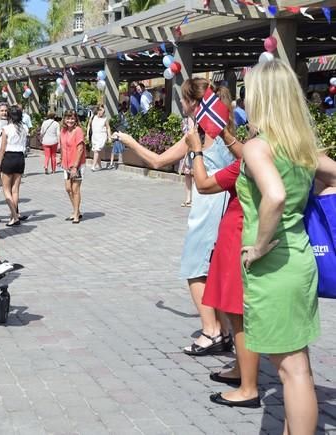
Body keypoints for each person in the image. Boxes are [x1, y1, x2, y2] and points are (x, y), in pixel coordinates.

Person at [233, 59, 336, 430]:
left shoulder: (258, 147)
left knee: (292, 371)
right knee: (297, 364)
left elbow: (274, 196)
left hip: (274, 265)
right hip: (299, 258)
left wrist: (259, 246)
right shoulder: (300, 146)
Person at [116, 79, 240, 355]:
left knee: (194, 268)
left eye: (183, 100)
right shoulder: (226, 130)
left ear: (194, 103)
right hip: (227, 205)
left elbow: (158, 161)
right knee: (214, 270)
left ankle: (211, 331)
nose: (181, 105)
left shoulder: (197, 135)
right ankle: (224, 329)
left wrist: (129, 141)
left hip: (208, 206)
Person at [185, 128, 260, 407]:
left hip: (237, 235)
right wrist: (227, 135)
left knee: (238, 312)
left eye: (251, 132)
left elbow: (203, 184)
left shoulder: (248, 164)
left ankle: (248, 387)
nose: (246, 135)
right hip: (240, 232)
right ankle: (242, 369)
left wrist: (196, 151)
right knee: (234, 309)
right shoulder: (275, 156)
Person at [0, 105, 27, 227]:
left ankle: (14, 216)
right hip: (20, 158)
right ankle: (13, 215)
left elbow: (2, 148)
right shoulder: (25, 128)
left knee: (6, 190)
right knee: (15, 190)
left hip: (9, 157)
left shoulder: (6, 128)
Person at [58, 110, 85, 224]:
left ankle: (76, 214)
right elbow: (63, 147)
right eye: (68, 118)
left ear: (76, 119)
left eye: (72, 118)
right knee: (68, 189)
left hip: (77, 164)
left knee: (75, 189)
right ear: (64, 119)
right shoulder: (63, 131)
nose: (70, 121)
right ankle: (76, 210)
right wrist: (60, 158)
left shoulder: (78, 130)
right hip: (66, 164)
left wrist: (75, 166)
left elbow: (80, 149)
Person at [86, 105, 111, 172]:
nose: (102, 113)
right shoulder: (93, 117)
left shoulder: (105, 118)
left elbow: (108, 128)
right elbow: (89, 125)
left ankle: (93, 166)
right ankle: (99, 166)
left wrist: (109, 137)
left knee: (97, 150)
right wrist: (87, 135)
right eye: (100, 111)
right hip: (95, 136)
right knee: (96, 151)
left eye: (103, 111)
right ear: (97, 110)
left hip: (102, 136)